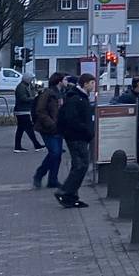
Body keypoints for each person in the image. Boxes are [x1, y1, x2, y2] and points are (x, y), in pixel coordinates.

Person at [55, 74, 96, 208]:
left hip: (78, 136)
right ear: (85, 84)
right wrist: (86, 130)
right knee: (81, 165)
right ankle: (65, 191)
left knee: (78, 165)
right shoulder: (76, 98)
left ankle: (71, 197)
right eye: (91, 83)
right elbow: (72, 120)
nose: (93, 85)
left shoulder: (80, 97)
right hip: (77, 137)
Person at [33, 73, 67, 188]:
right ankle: (40, 174)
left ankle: (53, 179)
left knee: (57, 155)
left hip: (59, 128)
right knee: (55, 152)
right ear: (59, 81)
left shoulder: (61, 93)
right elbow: (40, 110)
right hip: (47, 128)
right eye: (65, 79)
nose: (67, 81)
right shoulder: (48, 93)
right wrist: (51, 123)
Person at [13, 73, 43, 152]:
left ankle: (17, 146)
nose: (32, 81)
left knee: (21, 129)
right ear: (27, 79)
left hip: (23, 110)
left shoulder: (26, 86)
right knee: (28, 128)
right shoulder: (21, 87)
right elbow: (23, 98)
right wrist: (34, 98)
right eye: (31, 79)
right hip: (22, 111)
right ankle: (36, 145)